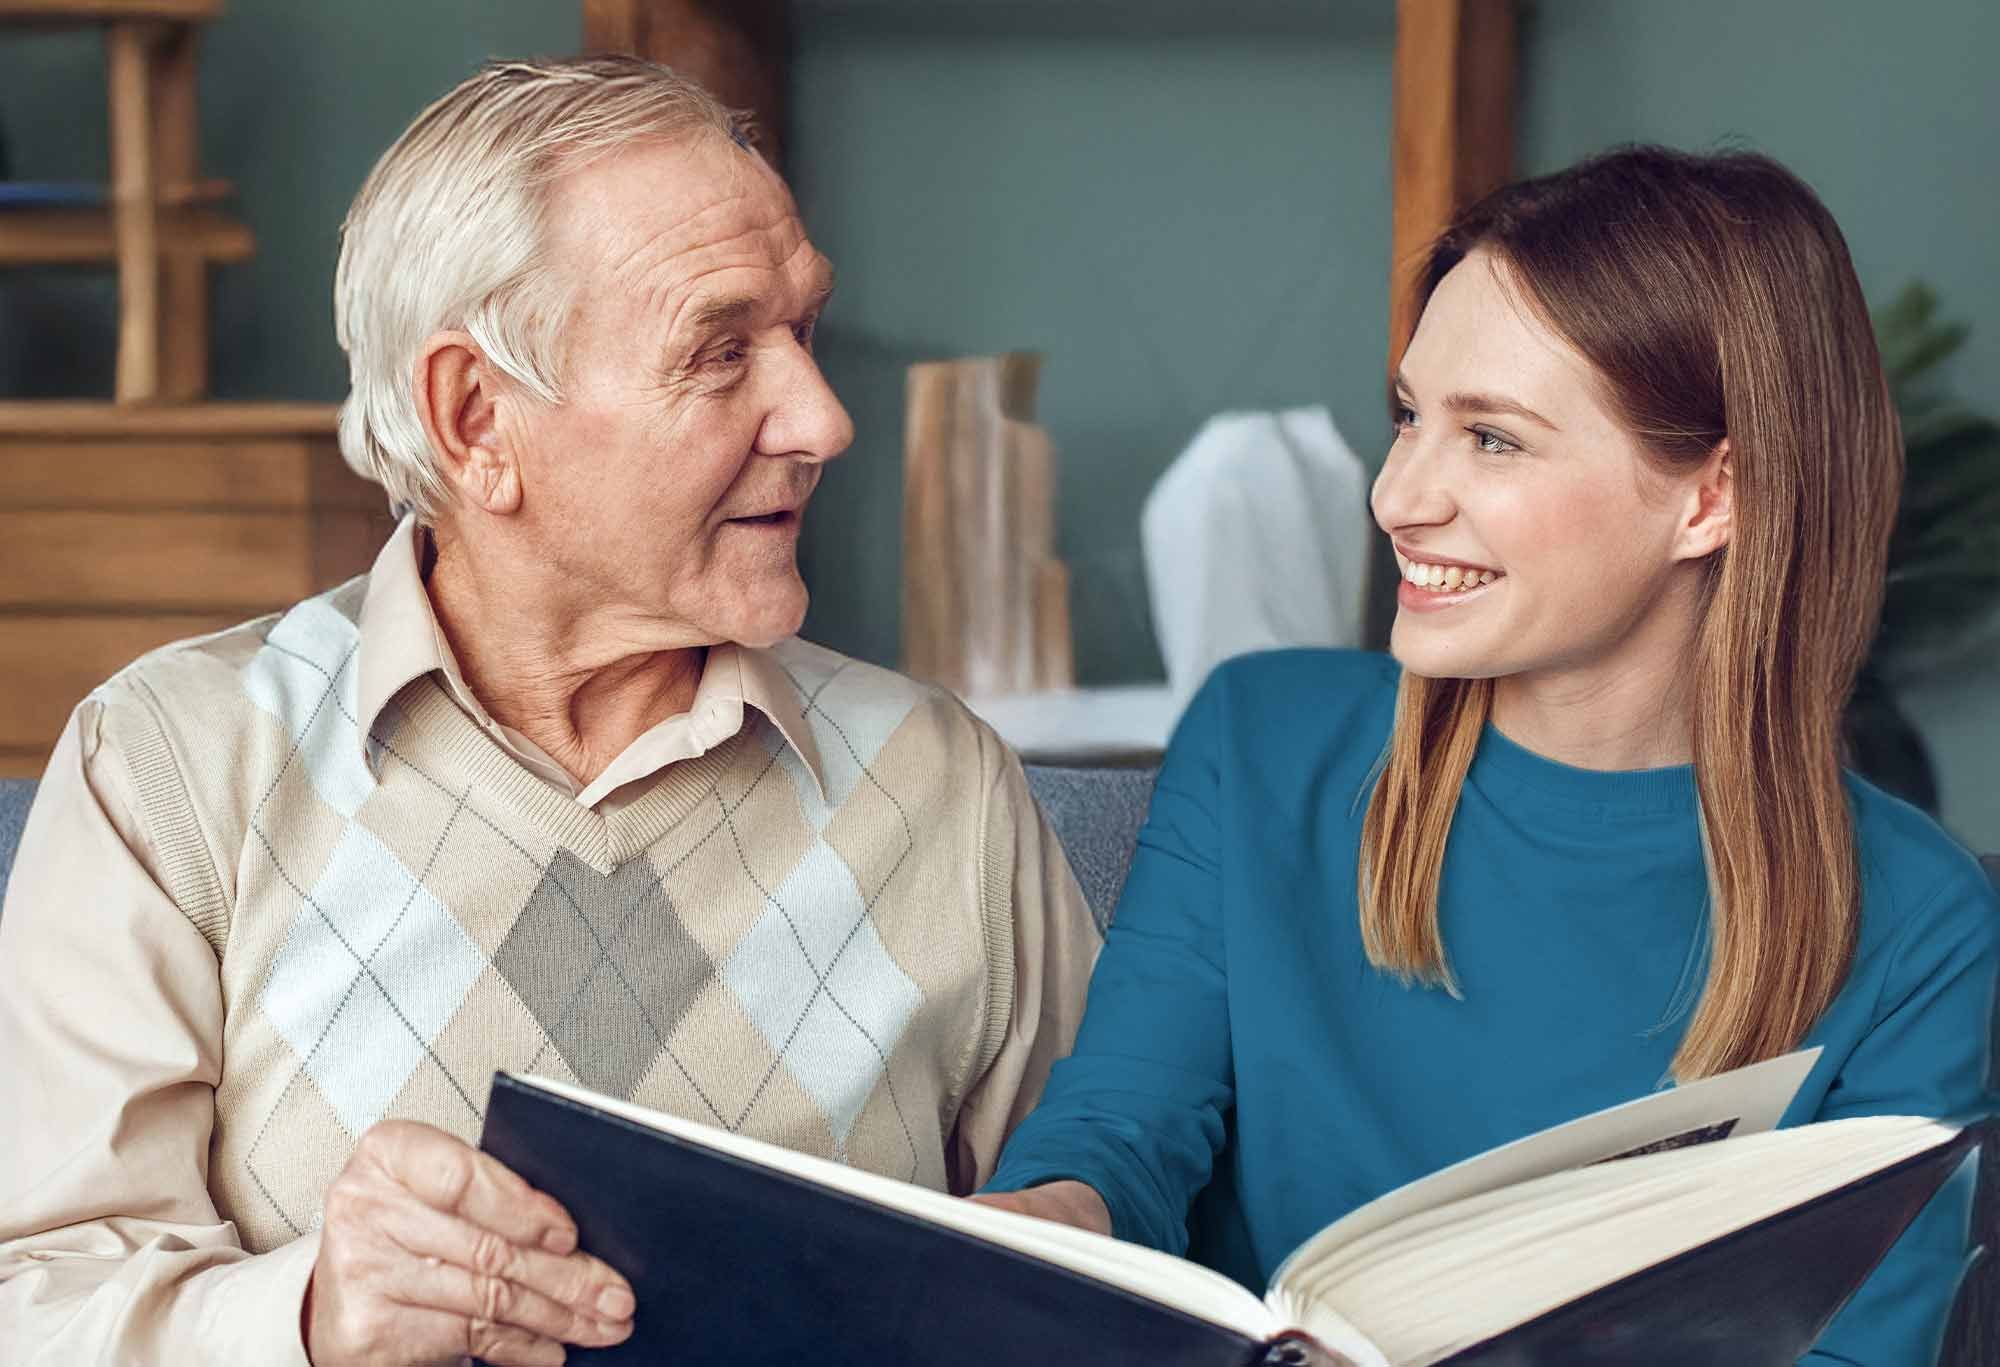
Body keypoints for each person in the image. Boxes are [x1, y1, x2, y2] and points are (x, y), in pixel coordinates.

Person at [0, 56, 1098, 1367]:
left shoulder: (944, 785)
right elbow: (36, 1300)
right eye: (721, 347)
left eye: (802, 329)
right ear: (476, 420)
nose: (821, 415)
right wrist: (306, 1311)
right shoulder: (174, 765)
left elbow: (1127, 1245)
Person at [975, 146, 2000, 1365]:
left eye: (1493, 440)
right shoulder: (1260, 742)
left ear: (1711, 497)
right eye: (1408, 415)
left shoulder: (1917, 921)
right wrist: (1043, 1223)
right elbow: (1120, 1132)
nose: (1399, 495)